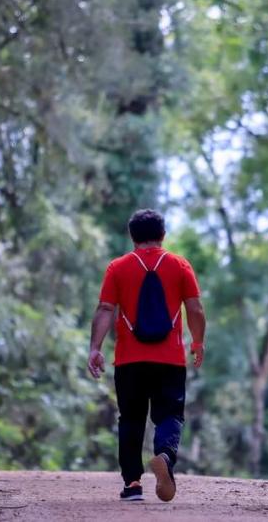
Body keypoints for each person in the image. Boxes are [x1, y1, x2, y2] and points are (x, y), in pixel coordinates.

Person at [88, 209, 206, 503]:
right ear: (163, 236)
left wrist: (95, 348)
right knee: (170, 415)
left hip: (129, 360)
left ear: (132, 237)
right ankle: (165, 454)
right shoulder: (180, 266)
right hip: (169, 360)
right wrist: (198, 343)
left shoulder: (117, 267)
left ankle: (132, 484)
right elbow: (195, 309)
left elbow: (105, 309)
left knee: (130, 419)